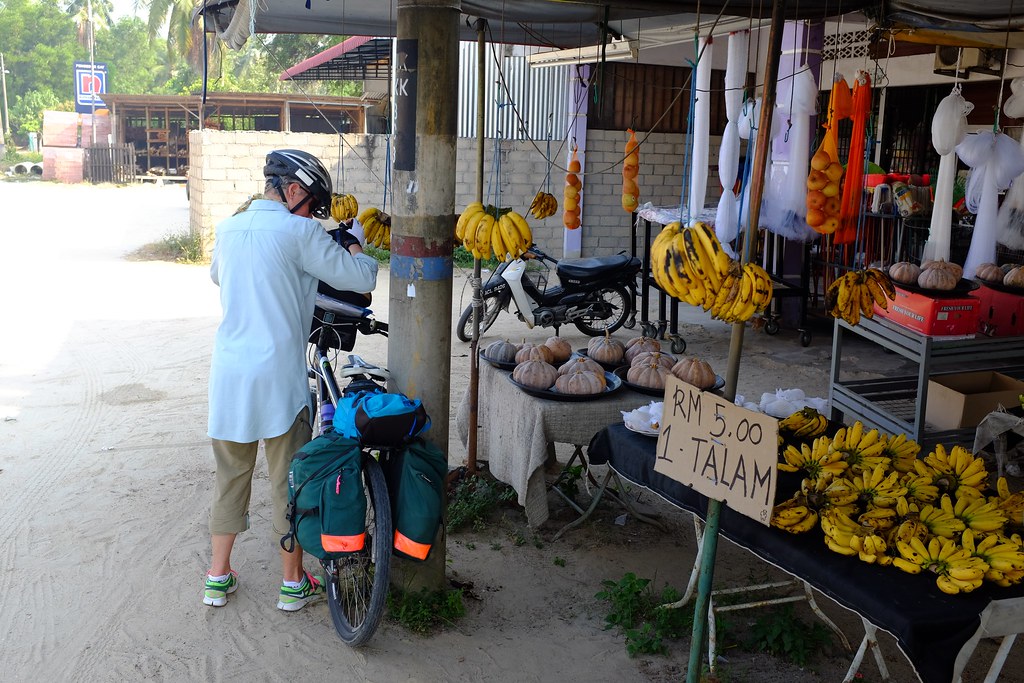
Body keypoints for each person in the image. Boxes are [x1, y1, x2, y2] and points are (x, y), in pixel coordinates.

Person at [204, 149, 378, 611]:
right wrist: (354, 241)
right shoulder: (298, 231)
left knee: (230, 478)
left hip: (230, 376)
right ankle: (291, 584)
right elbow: (362, 280)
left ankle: (217, 578)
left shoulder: (228, 229)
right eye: (313, 204)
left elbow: (220, 277)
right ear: (294, 190)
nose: (314, 215)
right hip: (279, 378)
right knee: (290, 483)